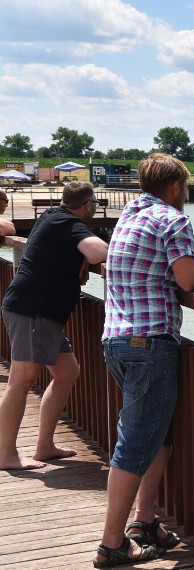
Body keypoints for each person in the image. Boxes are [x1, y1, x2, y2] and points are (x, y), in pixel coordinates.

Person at [94, 153, 194, 568]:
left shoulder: (129, 215)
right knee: (133, 445)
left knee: (155, 436)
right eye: (187, 188)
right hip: (149, 344)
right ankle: (112, 543)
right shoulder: (172, 218)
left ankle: (143, 522)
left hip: (116, 340)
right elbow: (189, 279)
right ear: (177, 187)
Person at [0, 181, 108, 470]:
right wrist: (88, 254)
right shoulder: (68, 222)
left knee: (67, 371)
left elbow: (65, 251)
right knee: (21, 378)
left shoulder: (50, 215)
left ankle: (44, 446)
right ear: (87, 206)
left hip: (39, 312)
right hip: (34, 310)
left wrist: (77, 259)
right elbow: (99, 252)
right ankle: (5, 454)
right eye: (95, 205)